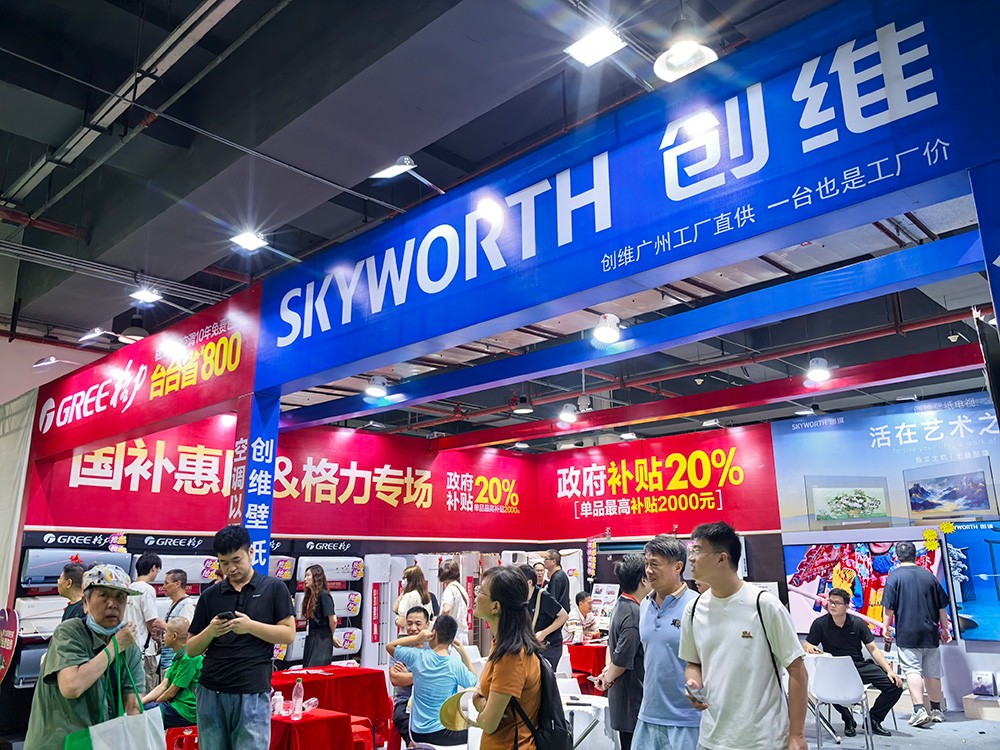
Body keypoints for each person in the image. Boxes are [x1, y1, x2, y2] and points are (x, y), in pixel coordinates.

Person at [679, 522, 809, 750]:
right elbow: (693, 663)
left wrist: (796, 734)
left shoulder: (764, 605)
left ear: (722, 558)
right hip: (711, 738)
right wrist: (693, 682)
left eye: (697, 550)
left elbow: (797, 669)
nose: (691, 558)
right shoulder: (694, 609)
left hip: (762, 740)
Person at [187, 525, 296, 750]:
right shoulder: (210, 595)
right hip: (211, 691)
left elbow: (288, 634)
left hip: (252, 689)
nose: (231, 568)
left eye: (236, 560)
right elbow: (191, 649)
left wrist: (250, 627)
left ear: (251, 553)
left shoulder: (274, 588)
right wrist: (211, 631)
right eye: (224, 562)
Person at [24, 564, 144, 750]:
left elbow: (133, 703)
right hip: (58, 743)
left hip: (99, 743)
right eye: (104, 595)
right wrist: (115, 646)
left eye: (120, 597)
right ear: (85, 603)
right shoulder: (70, 632)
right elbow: (72, 686)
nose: (112, 604)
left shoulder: (129, 647)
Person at [631, 536, 701, 750]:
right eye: (646, 563)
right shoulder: (645, 605)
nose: (648, 570)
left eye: (655, 564)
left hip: (687, 721)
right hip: (648, 715)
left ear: (678, 567)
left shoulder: (697, 605)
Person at [804, 587, 903, 737]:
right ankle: (847, 718)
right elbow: (807, 643)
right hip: (833, 668)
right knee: (825, 686)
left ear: (846, 606)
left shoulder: (858, 623)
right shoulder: (820, 624)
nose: (832, 605)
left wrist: (889, 671)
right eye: (831, 601)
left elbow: (873, 649)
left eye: (837, 603)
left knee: (895, 686)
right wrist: (808, 646)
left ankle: (873, 719)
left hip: (857, 666)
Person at [470, 566, 542, 750]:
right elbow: (480, 695)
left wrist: (480, 707)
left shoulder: (512, 656)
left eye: (480, 591)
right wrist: (480, 701)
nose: (475, 596)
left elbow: (488, 723)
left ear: (496, 607)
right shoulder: (502, 644)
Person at [881, 540, 952, 728]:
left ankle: (919, 710)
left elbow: (888, 608)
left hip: (907, 633)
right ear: (915, 555)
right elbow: (942, 607)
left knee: (912, 670)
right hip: (930, 632)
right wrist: (945, 629)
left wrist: (885, 627)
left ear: (897, 556)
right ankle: (936, 710)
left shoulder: (894, 577)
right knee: (932, 673)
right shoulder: (929, 576)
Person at [386, 614, 477, 746]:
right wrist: (463, 652)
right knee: (478, 732)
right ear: (452, 639)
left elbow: (390, 646)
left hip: (416, 733)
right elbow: (473, 681)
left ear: (433, 633)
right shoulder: (455, 665)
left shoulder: (418, 657)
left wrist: (417, 638)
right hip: (442, 733)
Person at [596, 554, 651, 750]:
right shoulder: (634, 613)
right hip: (631, 696)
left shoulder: (621, 604)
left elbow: (612, 646)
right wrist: (608, 677)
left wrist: (607, 672)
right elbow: (622, 658)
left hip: (624, 694)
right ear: (643, 580)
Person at [141, 617, 203, 728]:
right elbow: (163, 686)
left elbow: (171, 692)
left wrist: (155, 703)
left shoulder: (189, 658)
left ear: (174, 636)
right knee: (142, 709)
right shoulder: (179, 656)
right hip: (175, 704)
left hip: (186, 710)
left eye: (165, 633)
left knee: (146, 715)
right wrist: (141, 702)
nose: (163, 637)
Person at [389, 606, 431, 745]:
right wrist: (424, 676)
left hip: (430, 702)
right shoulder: (399, 648)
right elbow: (395, 679)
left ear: (427, 624)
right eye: (409, 623)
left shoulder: (434, 648)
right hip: (405, 703)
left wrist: (408, 675)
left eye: (418, 624)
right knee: (411, 733)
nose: (413, 628)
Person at [125, 552, 166, 692]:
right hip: (144, 649)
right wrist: (159, 640)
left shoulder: (128, 588)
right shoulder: (147, 589)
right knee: (146, 690)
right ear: (153, 568)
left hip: (127, 648)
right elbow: (151, 622)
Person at [518, 564, 568, 672]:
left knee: (544, 675)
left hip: (549, 646)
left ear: (529, 582)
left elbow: (564, 616)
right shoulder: (522, 598)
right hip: (532, 645)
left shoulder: (544, 596)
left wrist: (544, 633)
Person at [302, 564, 343, 666]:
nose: (305, 579)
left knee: (316, 669)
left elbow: (333, 620)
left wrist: (330, 636)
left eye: (308, 575)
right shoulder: (310, 596)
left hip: (322, 638)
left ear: (316, 577)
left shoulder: (323, 595)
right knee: (307, 668)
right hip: (311, 636)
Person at [159, 568, 196, 677]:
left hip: (175, 664)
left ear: (177, 584)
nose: (164, 586)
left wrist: (164, 626)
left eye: (166, 583)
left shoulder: (187, 605)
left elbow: (185, 633)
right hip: (167, 662)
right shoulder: (174, 604)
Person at [439, 558, 471, 645]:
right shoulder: (461, 589)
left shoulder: (449, 589)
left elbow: (446, 609)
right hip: (463, 633)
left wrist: (439, 623)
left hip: (452, 635)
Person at [394, 565, 434, 629]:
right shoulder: (426, 596)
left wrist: (396, 619)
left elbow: (401, 622)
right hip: (423, 631)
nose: (403, 580)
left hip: (410, 632)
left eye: (404, 578)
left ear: (410, 580)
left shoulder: (408, 596)